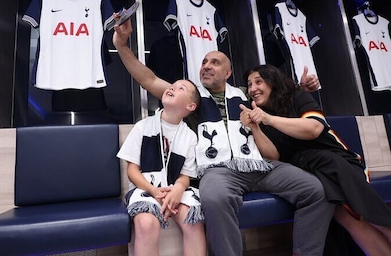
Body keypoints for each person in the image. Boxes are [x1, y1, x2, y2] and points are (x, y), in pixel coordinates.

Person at [112, 17, 335, 256]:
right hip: (219, 171)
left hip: (259, 165)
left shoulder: (246, 94)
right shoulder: (191, 98)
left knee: (315, 190)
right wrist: (122, 45)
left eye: (215, 62)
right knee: (215, 198)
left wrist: (302, 89)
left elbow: (281, 98)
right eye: (204, 62)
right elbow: (148, 79)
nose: (206, 65)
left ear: (228, 72)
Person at [240, 64, 391, 255]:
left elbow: (314, 129)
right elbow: (274, 157)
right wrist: (255, 127)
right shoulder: (259, 117)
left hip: (336, 163)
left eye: (258, 81)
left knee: (369, 216)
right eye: (249, 84)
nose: (253, 89)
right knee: (351, 221)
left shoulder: (297, 96)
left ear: (273, 82)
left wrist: (269, 119)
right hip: (309, 173)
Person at [117, 79, 206, 256]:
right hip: (145, 187)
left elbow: (185, 175)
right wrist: (154, 191)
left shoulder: (190, 136)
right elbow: (132, 170)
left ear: (190, 106)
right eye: (172, 85)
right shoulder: (142, 127)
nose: (172, 87)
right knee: (146, 223)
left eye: (181, 88)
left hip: (175, 189)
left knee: (193, 220)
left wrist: (177, 191)